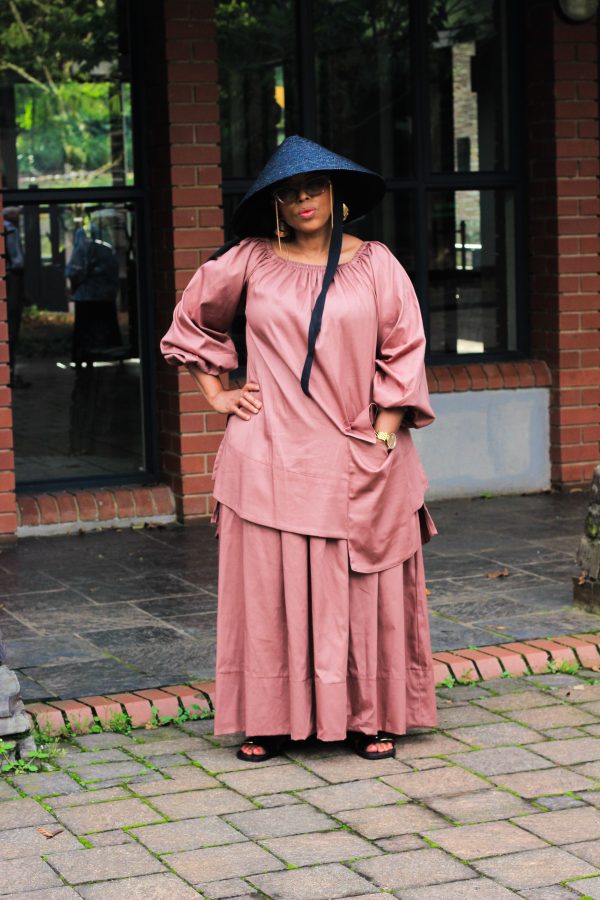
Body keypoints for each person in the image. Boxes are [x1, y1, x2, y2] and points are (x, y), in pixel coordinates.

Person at [161, 135, 437, 761]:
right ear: (275, 204)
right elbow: (191, 321)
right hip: (269, 454)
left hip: (358, 453)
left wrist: (385, 432)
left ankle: (368, 714)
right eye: (288, 192)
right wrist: (216, 393)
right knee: (270, 594)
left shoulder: (377, 264)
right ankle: (269, 720)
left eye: (314, 187)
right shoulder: (249, 261)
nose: (303, 199)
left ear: (337, 194)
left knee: (360, 593)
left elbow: (403, 350)